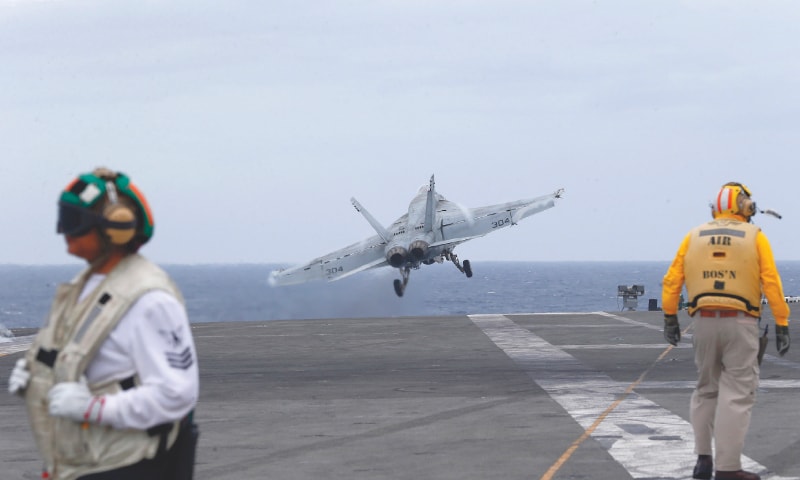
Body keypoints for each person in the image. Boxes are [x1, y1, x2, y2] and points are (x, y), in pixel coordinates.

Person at [7, 167, 199, 480]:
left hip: (130, 465)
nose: (64, 233)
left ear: (117, 227)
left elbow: (176, 394)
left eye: (74, 222)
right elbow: (83, 355)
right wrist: (38, 372)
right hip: (86, 462)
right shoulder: (90, 288)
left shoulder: (150, 300)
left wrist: (93, 409)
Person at [662, 182, 790, 480]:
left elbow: (672, 280)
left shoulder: (693, 236)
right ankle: (728, 469)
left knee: (705, 389)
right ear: (745, 206)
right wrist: (782, 322)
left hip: (703, 321)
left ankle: (703, 461)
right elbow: (771, 282)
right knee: (737, 394)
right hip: (740, 321)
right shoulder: (755, 237)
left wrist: (670, 318)